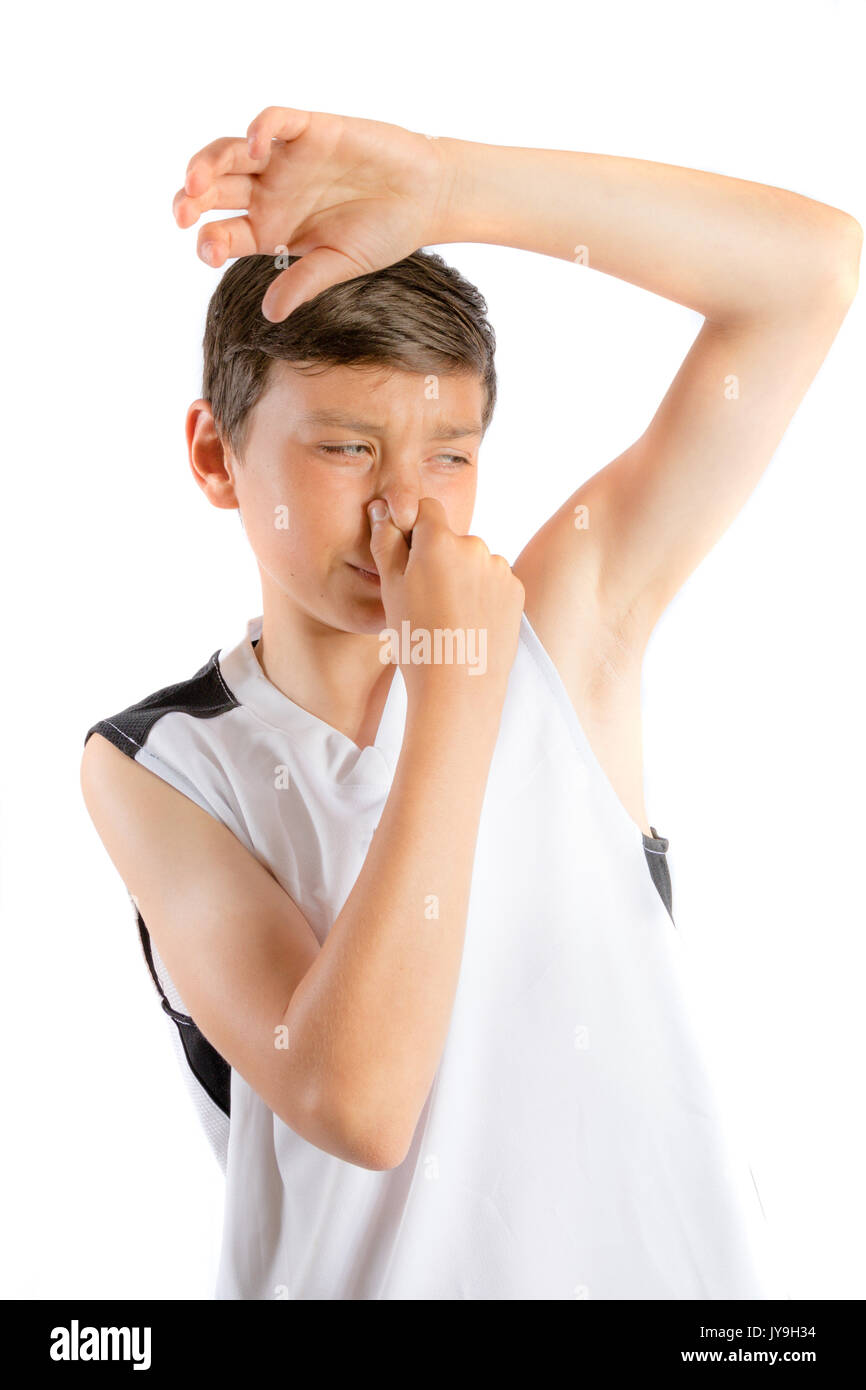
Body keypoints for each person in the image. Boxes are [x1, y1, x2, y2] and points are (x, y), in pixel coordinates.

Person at [80, 105, 860, 1300]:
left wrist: (447, 189)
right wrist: (453, 693)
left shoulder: (560, 633)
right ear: (214, 456)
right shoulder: (164, 763)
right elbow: (358, 1099)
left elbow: (806, 274)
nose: (407, 507)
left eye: (449, 451)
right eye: (345, 450)